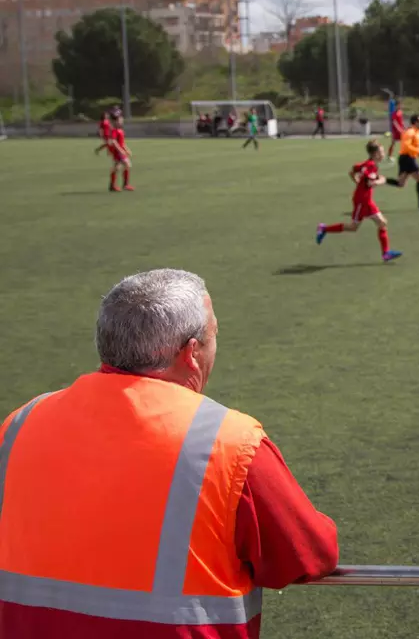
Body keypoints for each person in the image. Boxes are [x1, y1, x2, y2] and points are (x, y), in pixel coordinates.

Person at [0, 269, 340, 639]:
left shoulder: (20, 423)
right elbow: (309, 555)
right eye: (214, 336)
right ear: (191, 353)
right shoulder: (228, 442)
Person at [316, 139, 404, 262]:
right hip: (361, 201)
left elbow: (352, 171)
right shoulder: (371, 165)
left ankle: (386, 253)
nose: (383, 153)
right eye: (382, 151)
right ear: (375, 154)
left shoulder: (366, 164)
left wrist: (357, 180)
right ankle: (323, 229)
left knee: (382, 223)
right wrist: (381, 181)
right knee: (353, 227)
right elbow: (370, 183)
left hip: (366, 200)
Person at [386, 114, 419, 210]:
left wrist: (418, 153)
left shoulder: (417, 132)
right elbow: (406, 146)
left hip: (408, 158)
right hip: (407, 158)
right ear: (415, 122)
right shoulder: (410, 132)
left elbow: (413, 147)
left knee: (401, 184)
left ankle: (381, 179)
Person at [107, 115, 134, 192]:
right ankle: (125, 185)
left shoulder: (120, 130)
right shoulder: (114, 130)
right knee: (127, 164)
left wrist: (127, 149)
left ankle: (112, 185)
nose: (121, 121)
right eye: (120, 120)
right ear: (115, 121)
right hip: (118, 152)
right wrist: (120, 150)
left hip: (120, 151)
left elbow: (122, 142)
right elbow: (114, 142)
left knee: (117, 167)